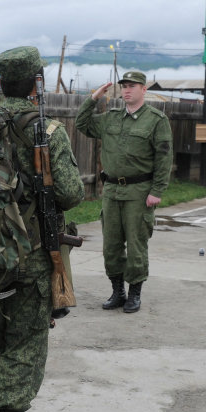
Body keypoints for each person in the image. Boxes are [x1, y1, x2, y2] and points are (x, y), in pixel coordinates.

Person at [0, 46, 84, 412]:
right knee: (25, 341)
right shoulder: (46, 130)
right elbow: (69, 194)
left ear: (1, 83)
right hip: (30, 256)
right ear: (37, 82)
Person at [74, 71, 172, 313]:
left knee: (137, 245)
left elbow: (164, 157)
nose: (127, 90)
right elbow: (81, 124)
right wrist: (93, 98)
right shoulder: (111, 118)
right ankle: (117, 292)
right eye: (124, 86)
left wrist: (156, 190)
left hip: (139, 192)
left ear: (143, 89)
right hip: (112, 190)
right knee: (111, 246)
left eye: (132, 86)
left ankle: (135, 294)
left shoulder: (156, 120)